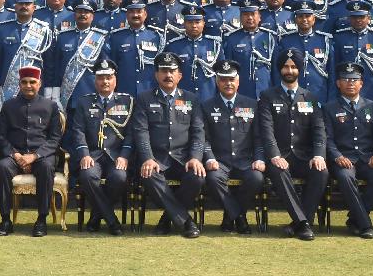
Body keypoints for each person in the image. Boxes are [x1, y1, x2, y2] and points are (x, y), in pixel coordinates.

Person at [257, 49, 328, 241]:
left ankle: (298, 222)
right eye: (286, 67)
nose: (289, 70)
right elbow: (266, 130)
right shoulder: (267, 96)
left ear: (300, 70)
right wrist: (274, 155)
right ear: (280, 69)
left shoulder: (310, 97)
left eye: (294, 67)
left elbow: (319, 129)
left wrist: (319, 155)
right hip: (280, 156)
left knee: (321, 172)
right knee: (278, 171)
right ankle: (304, 223)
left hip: (304, 156)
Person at [132, 52, 204, 239]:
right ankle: (186, 222)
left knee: (197, 176)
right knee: (148, 175)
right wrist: (148, 158)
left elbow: (198, 132)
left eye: (172, 71)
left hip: (183, 159)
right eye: (164, 71)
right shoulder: (144, 99)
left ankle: (166, 220)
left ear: (180, 75)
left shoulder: (191, 99)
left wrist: (195, 158)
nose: (168, 75)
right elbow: (141, 131)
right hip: (157, 160)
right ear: (156, 75)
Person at [0, 63, 64, 237]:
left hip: (41, 156)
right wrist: (16, 155)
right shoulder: (8, 106)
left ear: (39, 84)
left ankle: (41, 220)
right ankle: (5, 220)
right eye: (24, 82)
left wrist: (35, 156)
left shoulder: (50, 106)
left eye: (32, 82)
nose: (28, 85)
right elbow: (1, 137)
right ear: (19, 84)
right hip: (14, 155)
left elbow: (55, 138)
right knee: (1, 167)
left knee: (46, 167)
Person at [323, 62, 373, 239]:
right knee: (346, 177)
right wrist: (337, 156)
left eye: (354, 79)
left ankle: (354, 218)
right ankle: (365, 225)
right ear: (338, 83)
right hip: (343, 160)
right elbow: (327, 138)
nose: (350, 83)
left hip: (367, 159)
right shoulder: (329, 108)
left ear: (361, 83)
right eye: (345, 79)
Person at [200, 59, 265, 235]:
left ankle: (230, 216)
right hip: (220, 161)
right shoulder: (206, 106)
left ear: (238, 81)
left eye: (231, 79)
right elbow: (204, 139)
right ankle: (239, 217)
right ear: (217, 81)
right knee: (213, 179)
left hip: (245, 161)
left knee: (257, 178)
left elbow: (259, 137)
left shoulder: (252, 104)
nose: (228, 83)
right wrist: (209, 158)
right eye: (223, 79)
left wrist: (259, 158)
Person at [69, 58, 132, 236]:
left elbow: (131, 134)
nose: (105, 81)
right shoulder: (84, 102)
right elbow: (78, 131)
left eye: (109, 77)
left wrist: (124, 155)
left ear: (115, 80)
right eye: (101, 78)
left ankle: (96, 217)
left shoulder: (127, 102)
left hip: (116, 156)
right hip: (93, 155)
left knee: (119, 177)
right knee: (87, 175)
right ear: (95, 81)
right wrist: (84, 154)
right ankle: (112, 221)